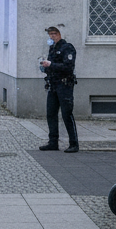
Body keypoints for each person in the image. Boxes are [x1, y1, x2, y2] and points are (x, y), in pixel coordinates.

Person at [38, 25, 78, 153]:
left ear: (60, 34)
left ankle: (74, 143)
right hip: (53, 84)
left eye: (54, 34)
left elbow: (68, 67)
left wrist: (51, 64)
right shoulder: (52, 48)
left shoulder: (67, 48)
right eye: (50, 34)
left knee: (67, 114)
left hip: (64, 85)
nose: (51, 36)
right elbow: (52, 66)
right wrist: (45, 67)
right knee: (51, 114)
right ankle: (53, 142)